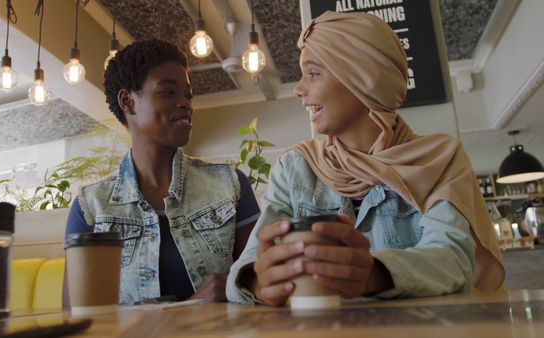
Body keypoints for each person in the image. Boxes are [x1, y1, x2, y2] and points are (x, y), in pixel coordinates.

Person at [226, 11, 504, 306]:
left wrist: (374, 275)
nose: (298, 89)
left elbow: (455, 260)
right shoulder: (295, 167)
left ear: (362, 77)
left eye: (313, 73)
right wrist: (258, 280)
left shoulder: (440, 160)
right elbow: (241, 273)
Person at [65, 39, 259, 305]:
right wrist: (188, 310)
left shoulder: (230, 185)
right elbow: (79, 317)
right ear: (128, 102)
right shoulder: (91, 208)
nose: (185, 104)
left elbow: (259, 285)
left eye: (188, 96)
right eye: (168, 92)